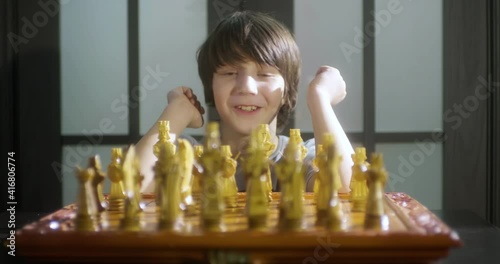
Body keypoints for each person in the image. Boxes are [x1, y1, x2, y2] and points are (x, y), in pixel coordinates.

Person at [136, 11, 354, 194]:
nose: (246, 87)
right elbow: (134, 185)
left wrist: (319, 99)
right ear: (210, 86)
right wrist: (177, 111)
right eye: (230, 72)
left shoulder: (302, 156)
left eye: (265, 75)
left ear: (287, 90)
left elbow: (347, 187)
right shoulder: (188, 154)